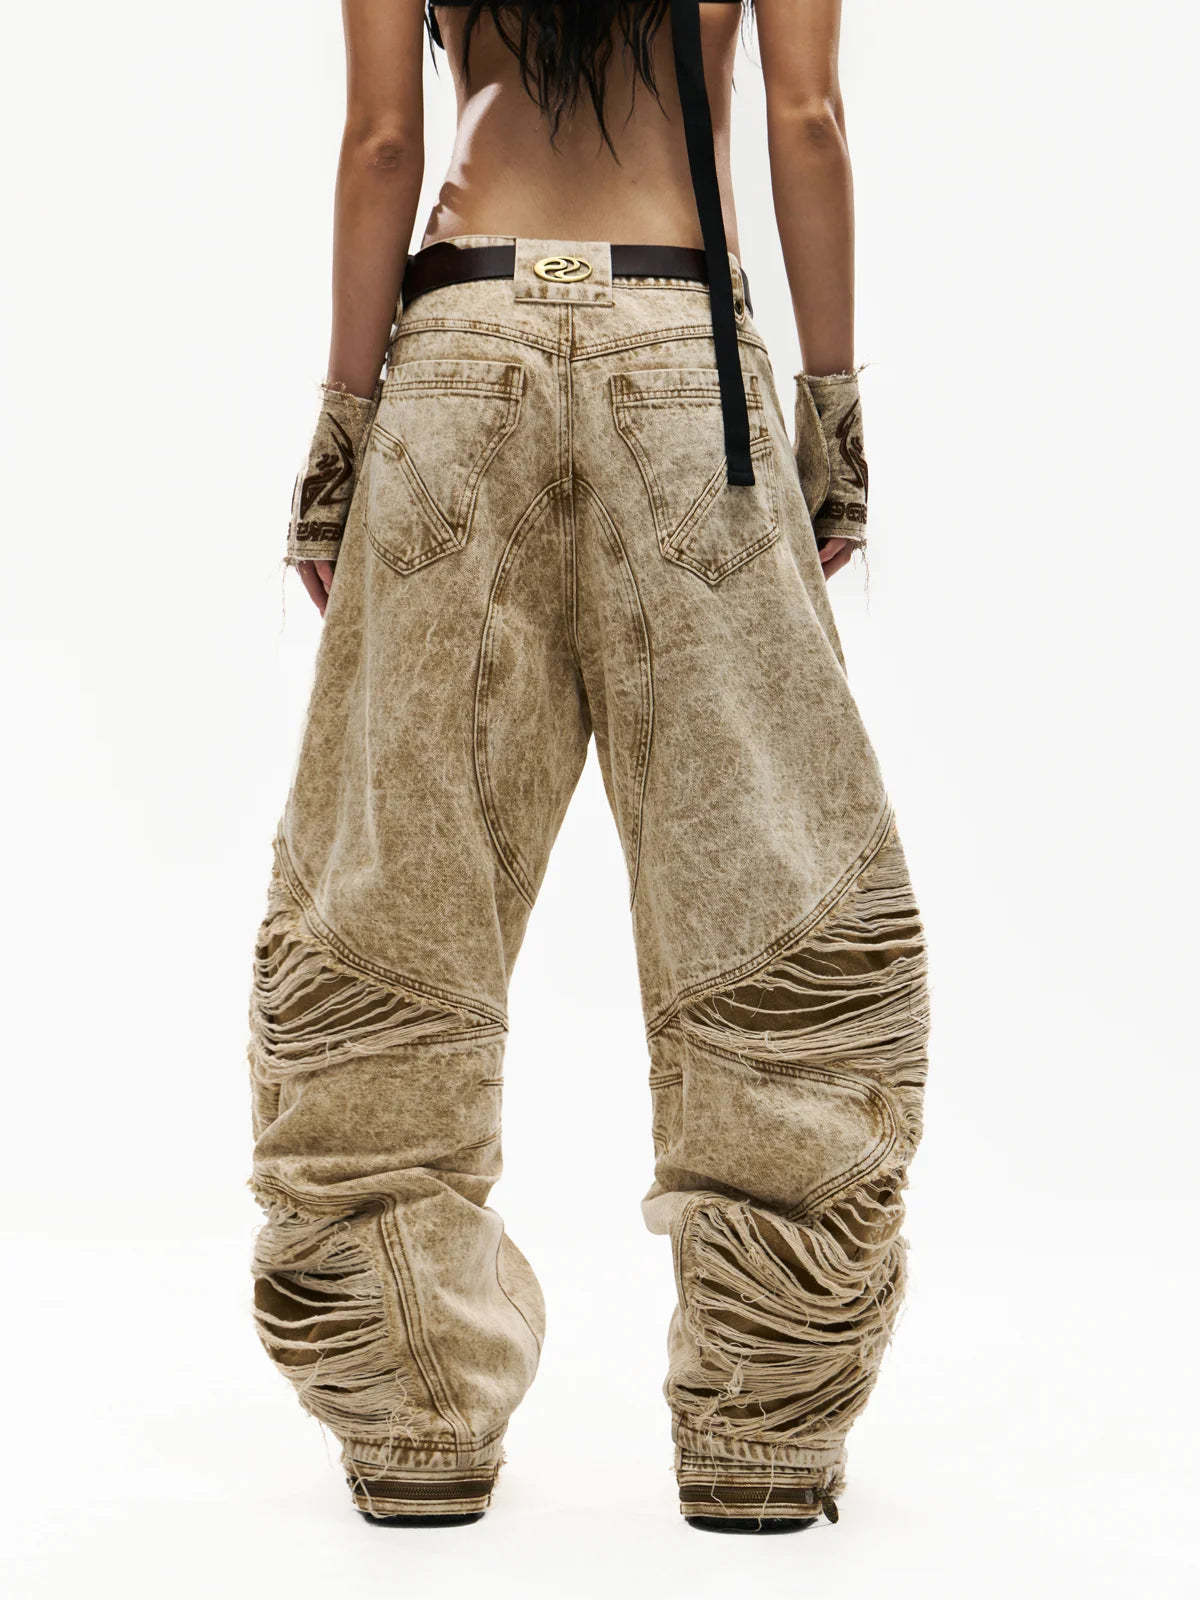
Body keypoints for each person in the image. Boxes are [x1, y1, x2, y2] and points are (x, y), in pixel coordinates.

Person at [248, 0, 930, 1533]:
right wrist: (831, 414)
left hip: (457, 353)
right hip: (688, 361)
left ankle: (414, 1417)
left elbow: (383, 145)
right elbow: (807, 121)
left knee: (393, 908)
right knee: (771, 903)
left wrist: (343, 434)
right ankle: (763, 1423)